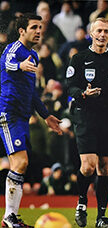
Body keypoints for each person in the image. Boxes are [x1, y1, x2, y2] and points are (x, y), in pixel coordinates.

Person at [66, 17, 108, 228]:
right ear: (91, 33)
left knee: (105, 168)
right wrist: (83, 94)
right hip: (85, 116)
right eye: (99, 31)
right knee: (87, 166)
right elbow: (70, 86)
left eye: (106, 31)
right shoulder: (78, 59)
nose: (103, 34)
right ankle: (82, 202)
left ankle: (101, 217)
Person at [0, 13, 62, 227]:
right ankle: (9, 217)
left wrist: (46, 116)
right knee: (20, 162)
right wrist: (20, 66)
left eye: (40, 27)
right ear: (21, 31)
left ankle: (11, 217)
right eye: (34, 27)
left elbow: (32, 93)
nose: (39, 31)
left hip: (24, 116)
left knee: (21, 165)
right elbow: (7, 63)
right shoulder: (14, 50)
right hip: (9, 114)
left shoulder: (33, 56)